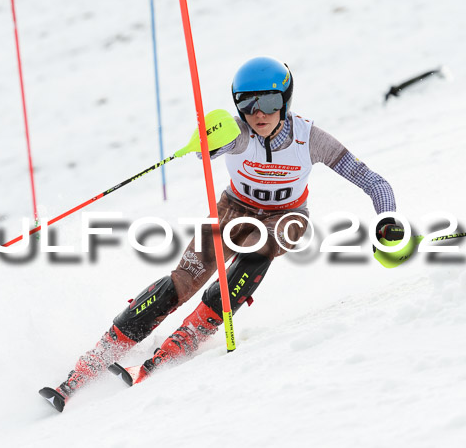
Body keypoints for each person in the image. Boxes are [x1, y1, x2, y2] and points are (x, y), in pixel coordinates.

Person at [40, 57, 399, 412]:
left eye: (270, 102)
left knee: (262, 248)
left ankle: (190, 334)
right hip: (233, 210)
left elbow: (373, 181)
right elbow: (214, 143)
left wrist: (386, 218)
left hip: (287, 216)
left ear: (285, 101)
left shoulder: (311, 140)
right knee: (182, 282)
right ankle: (100, 354)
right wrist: (208, 145)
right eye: (247, 103)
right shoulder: (239, 133)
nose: (259, 114)